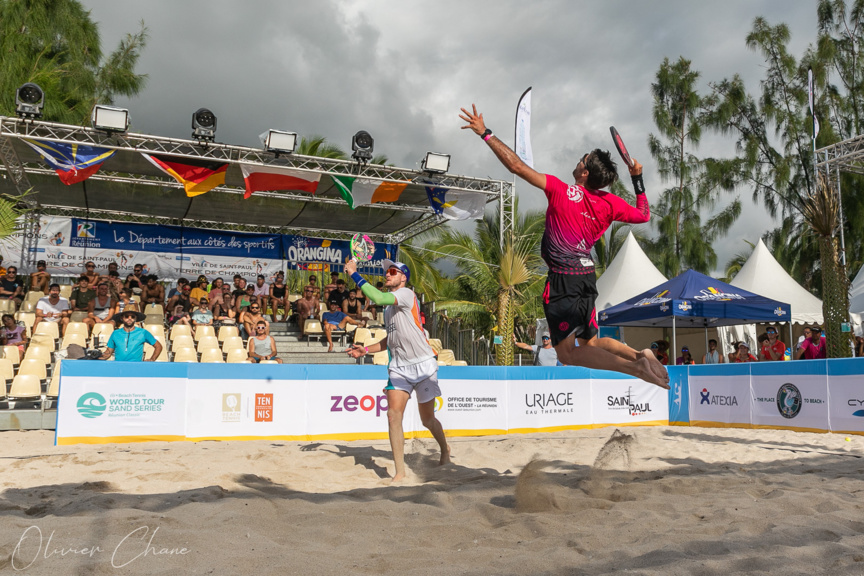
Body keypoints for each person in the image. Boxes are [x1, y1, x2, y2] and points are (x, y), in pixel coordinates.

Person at [460, 104, 668, 388]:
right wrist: (637, 179)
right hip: (586, 276)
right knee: (591, 341)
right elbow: (644, 214)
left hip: (564, 279)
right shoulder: (609, 202)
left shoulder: (560, 189)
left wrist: (485, 133)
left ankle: (636, 368)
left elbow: (516, 166)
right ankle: (639, 353)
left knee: (567, 354)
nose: (579, 161)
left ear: (584, 173)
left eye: (582, 160)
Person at [346, 258, 450, 482]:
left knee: (427, 420)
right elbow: (389, 340)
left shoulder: (407, 294)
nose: (387, 274)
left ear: (403, 277)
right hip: (399, 367)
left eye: (392, 271)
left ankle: (444, 449)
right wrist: (365, 349)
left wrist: (355, 274)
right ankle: (400, 472)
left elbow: (377, 296)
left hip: (423, 365)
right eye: (386, 272)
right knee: (393, 416)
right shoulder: (388, 311)